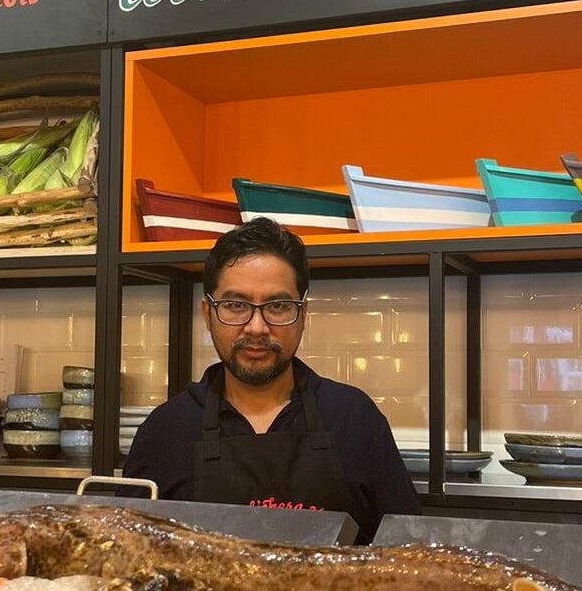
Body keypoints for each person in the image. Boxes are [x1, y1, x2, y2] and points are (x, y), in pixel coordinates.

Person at [124, 218, 420, 543]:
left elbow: (408, 555)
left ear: (304, 314)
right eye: (235, 306)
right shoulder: (166, 431)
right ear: (207, 313)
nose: (256, 327)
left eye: (278, 306)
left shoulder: (354, 418)